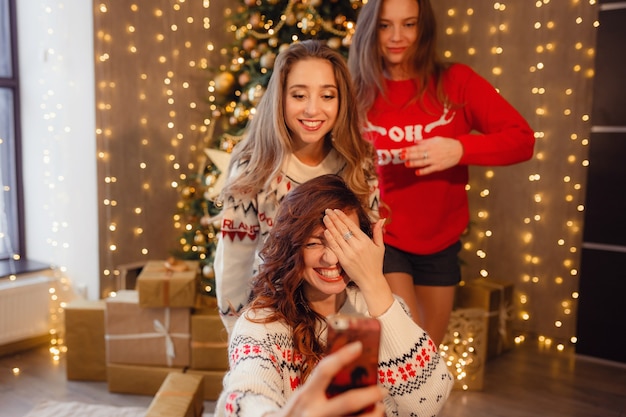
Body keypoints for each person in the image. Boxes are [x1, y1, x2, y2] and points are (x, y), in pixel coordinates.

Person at [347, 0, 535, 346]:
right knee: (406, 344)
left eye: (409, 24)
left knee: (426, 361)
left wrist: (460, 148)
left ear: (424, 27)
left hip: (440, 243)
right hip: (384, 239)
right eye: (385, 25)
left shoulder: (456, 82)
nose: (396, 37)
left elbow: (523, 140)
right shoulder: (356, 89)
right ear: (370, 29)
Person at [215, 174, 453, 417]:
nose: (331, 258)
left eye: (344, 241)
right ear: (292, 247)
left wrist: (374, 283)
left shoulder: (387, 309)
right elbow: (243, 396)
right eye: (314, 244)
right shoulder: (261, 324)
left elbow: (429, 404)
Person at [215, 40, 379, 335]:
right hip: (273, 319)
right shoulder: (254, 170)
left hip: (346, 320)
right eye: (299, 95)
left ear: (341, 101)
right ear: (280, 98)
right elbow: (234, 262)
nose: (313, 109)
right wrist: (237, 331)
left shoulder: (359, 165)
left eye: (327, 95)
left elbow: (369, 255)